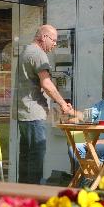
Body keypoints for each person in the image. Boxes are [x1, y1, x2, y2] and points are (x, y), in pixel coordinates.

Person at [17, 24, 75, 184]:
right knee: (36, 159)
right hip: (34, 114)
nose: (55, 44)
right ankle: (33, 198)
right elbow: (47, 84)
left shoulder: (26, 51)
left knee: (26, 158)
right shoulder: (38, 54)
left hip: (24, 113)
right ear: (43, 37)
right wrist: (64, 105)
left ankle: (21, 197)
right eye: (54, 40)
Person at [70, 74, 104, 167]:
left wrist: (98, 142)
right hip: (96, 144)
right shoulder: (102, 104)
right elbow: (85, 116)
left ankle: (92, 174)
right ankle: (90, 173)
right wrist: (71, 112)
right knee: (74, 146)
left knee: (93, 148)